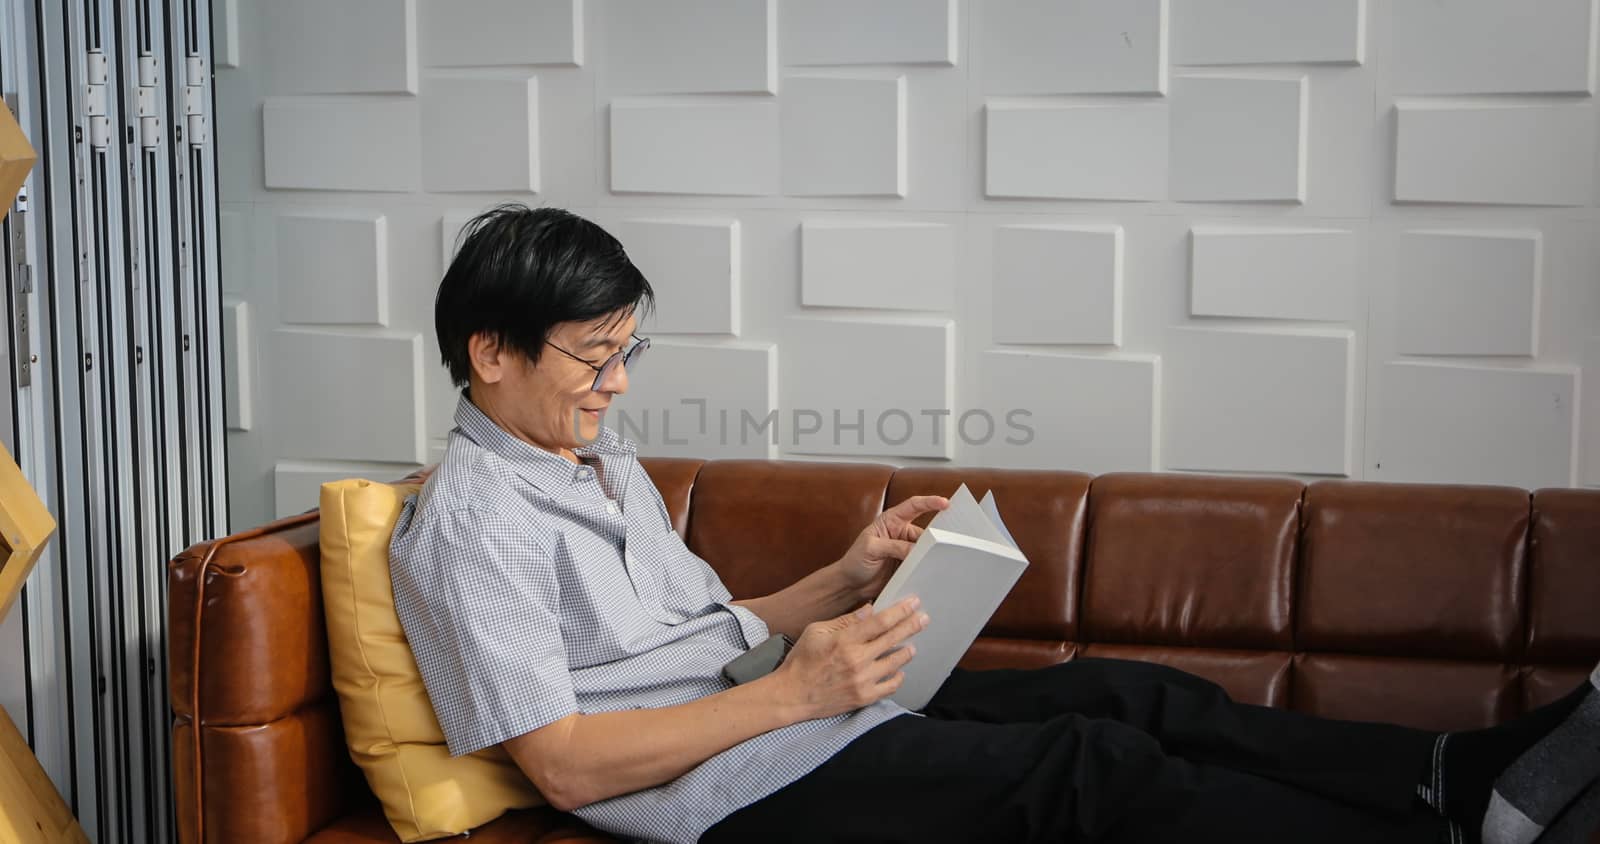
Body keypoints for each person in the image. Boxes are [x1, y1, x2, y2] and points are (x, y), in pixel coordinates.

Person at [389, 204, 1600, 844]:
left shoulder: (598, 460)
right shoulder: (469, 525)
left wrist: (844, 578)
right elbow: (559, 762)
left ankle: (1451, 774)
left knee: (1126, 693)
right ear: (488, 352)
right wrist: (797, 695)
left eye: (626, 353)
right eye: (593, 356)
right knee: (1094, 770)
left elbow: (699, 631)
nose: (617, 383)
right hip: (729, 791)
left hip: (773, 714)